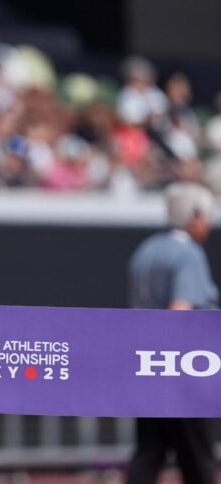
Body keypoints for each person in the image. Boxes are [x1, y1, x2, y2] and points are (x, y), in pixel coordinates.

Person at [126, 182, 218, 484]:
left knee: (148, 453)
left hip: (146, 368)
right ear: (193, 216)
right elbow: (180, 312)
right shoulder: (188, 254)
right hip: (181, 374)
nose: (208, 223)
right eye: (205, 216)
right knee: (197, 459)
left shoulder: (145, 250)